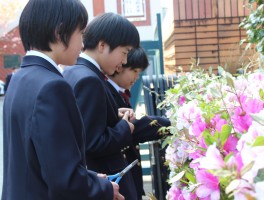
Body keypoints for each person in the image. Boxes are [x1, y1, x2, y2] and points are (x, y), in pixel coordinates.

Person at [1, 1, 123, 200]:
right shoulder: (52, 86)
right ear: (60, 32)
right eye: (81, 33)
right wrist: (105, 189)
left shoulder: (18, 79)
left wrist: (91, 178)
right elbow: (64, 181)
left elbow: (41, 163)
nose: (83, 44)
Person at [63, 13, 140, 199]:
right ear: (102, 45)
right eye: (124, 52)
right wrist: (124, 127)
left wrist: (114, 114)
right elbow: (92, 142)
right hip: (105, 181)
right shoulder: (90, 80)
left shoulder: (74, 71)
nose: (124, 61)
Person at [106, 47, 171, 200]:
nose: (136, 77)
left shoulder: (118, 92)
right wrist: (168, 124)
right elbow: (133, 129)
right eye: (134, 71)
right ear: (119, 67)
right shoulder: (106, 91)